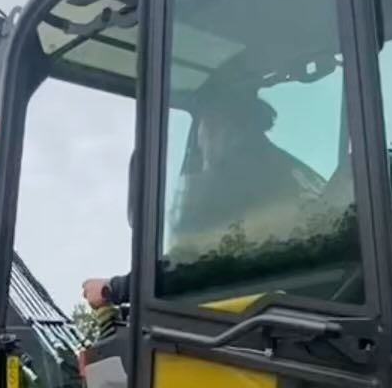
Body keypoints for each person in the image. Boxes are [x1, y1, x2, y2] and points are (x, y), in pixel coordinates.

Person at [82, 88, 324, 307]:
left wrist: (113, 289)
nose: (199, 141)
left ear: (227, 128)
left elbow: (193, 264)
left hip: (256, 326)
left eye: (205, 127)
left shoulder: (234, 180)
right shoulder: (287, 170)